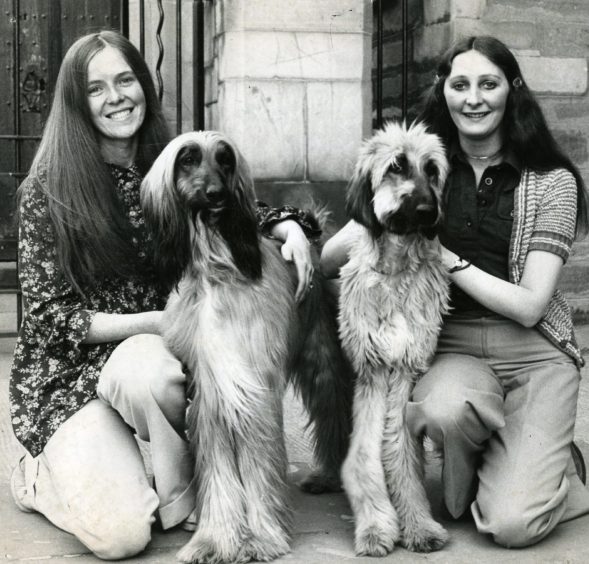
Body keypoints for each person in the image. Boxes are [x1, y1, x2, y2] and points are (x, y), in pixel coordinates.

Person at [9, 30, 320, 560]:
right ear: (76, 102)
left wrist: (289, 224)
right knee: (122, 535)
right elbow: (46, 321)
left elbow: (235, 204)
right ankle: (38, 474)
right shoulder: (48, 189)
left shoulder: (171, 163)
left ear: (145, 88)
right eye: (96, 88)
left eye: (126, 80)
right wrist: (164, 320)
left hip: (151, 363)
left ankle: (183, 500)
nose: (116, 97)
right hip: (72, 379)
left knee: (156, 372)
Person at [321, 35, 589, 548]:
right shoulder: (432, 166)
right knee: (443, 419)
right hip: (457, 345)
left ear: (512, 91)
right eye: (460, 84)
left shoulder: (552, 181)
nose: (474, 98)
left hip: (535, 353)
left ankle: (561, 471)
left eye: (488, 84)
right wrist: (311, 230)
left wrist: (446, 257)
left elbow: (533, 305)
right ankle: (506, 465)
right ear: (443, 92)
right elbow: (335, 253)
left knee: (510, 524)